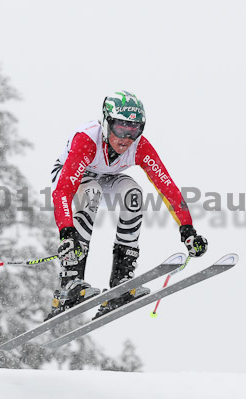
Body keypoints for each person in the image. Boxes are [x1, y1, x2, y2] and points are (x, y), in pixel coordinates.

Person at [45, 91, 208, 321]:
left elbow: (167, 186)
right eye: (121, 129)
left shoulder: (139, 146)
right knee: (91, 193)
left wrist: (188, 230)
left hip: (106, 177)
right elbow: (63, 190)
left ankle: (121, 281)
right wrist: (66, 232)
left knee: (134, 194)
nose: (126, 138)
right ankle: (70, 283)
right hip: (72, 177)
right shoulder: (88, 139)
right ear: (106, 122)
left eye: (134, 130)